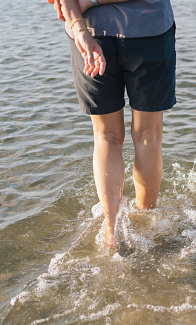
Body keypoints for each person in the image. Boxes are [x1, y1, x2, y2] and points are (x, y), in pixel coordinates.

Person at [48, 0, 176, 248]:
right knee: (148, 136)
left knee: (106, 136)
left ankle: (111, 230)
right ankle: (147, 221)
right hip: (149, 30)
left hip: (91, 32)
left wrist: (79, 28)